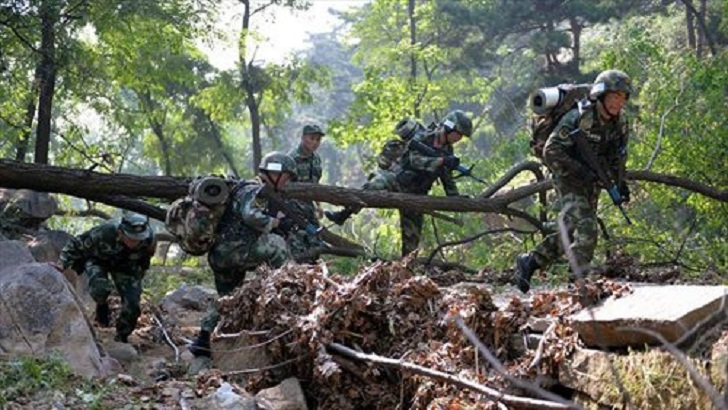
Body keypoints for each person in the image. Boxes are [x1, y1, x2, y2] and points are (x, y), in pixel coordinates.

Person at [513, 69, 633, 293]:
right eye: (614, 96)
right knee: (587, 227)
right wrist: (580, 171)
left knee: (569, 230)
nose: (618, 102)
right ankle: (577, 287)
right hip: (567, 178)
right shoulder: (580, 117)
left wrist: (619, 183)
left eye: (622, 97)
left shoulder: (620, 123)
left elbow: (618, 156)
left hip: (594, 179)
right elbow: (551, 151)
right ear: (601, 95)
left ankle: (530, 261)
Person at [188, 151, 295, 358]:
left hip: (221, 256)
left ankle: (202, 340)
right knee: (278, 246)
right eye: (287, 176)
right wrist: (277, 224)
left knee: (228, 298)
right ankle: (284, 294)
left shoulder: (241, 188)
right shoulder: (256, 190)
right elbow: (250, 215)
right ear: (275, 174)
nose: (288, 181)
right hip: (237, 251)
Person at [325, 110, 472, 256]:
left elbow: (447, 179)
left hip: (416, 194)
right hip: (397, 180)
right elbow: (415, 161)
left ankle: (406, 270)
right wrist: (441, 161)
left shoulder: (448, 151)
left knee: (411, 243)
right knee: (375, 184)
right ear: (449, 127)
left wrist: (456, 197)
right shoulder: (424, 136)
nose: (459, 138)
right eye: (458, 134)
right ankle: (344, 213)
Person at [57, 213, 156, 343]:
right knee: (100, 289)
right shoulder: (104, 232)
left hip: (126, 267)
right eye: (131, 238)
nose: (134, 243)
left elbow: (144, 261)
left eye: (138, 239)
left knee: (132, 304)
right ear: (121, 232)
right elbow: (76, 244)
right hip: (98, 260)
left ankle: (122, 336)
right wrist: (61, 265)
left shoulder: (149, 239)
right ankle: (101, 304)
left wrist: (136, 283)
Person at [287, 124, 327, 263]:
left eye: (318, 140)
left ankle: (313, 275)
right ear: (303, 138)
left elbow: (315, 185)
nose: (315, 142)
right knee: (297, 244)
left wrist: (318, 205)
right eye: (312, 138)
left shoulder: (316, 159)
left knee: (316, 242)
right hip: (293, 209)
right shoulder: (291, 159)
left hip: (309, 208)